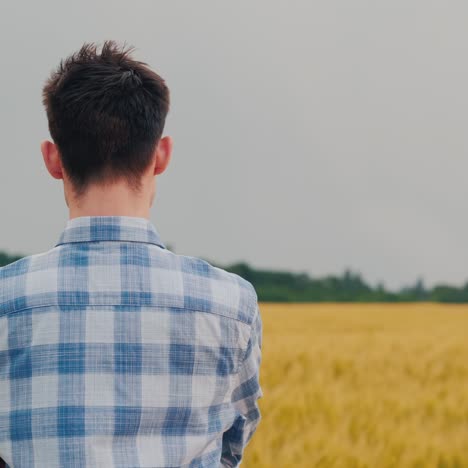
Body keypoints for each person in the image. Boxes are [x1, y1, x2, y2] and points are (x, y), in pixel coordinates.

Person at [0, 40, 263, 467]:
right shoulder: (231, 303)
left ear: (52, 159)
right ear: (161, 155)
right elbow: (232, 444)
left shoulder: (5, 299)